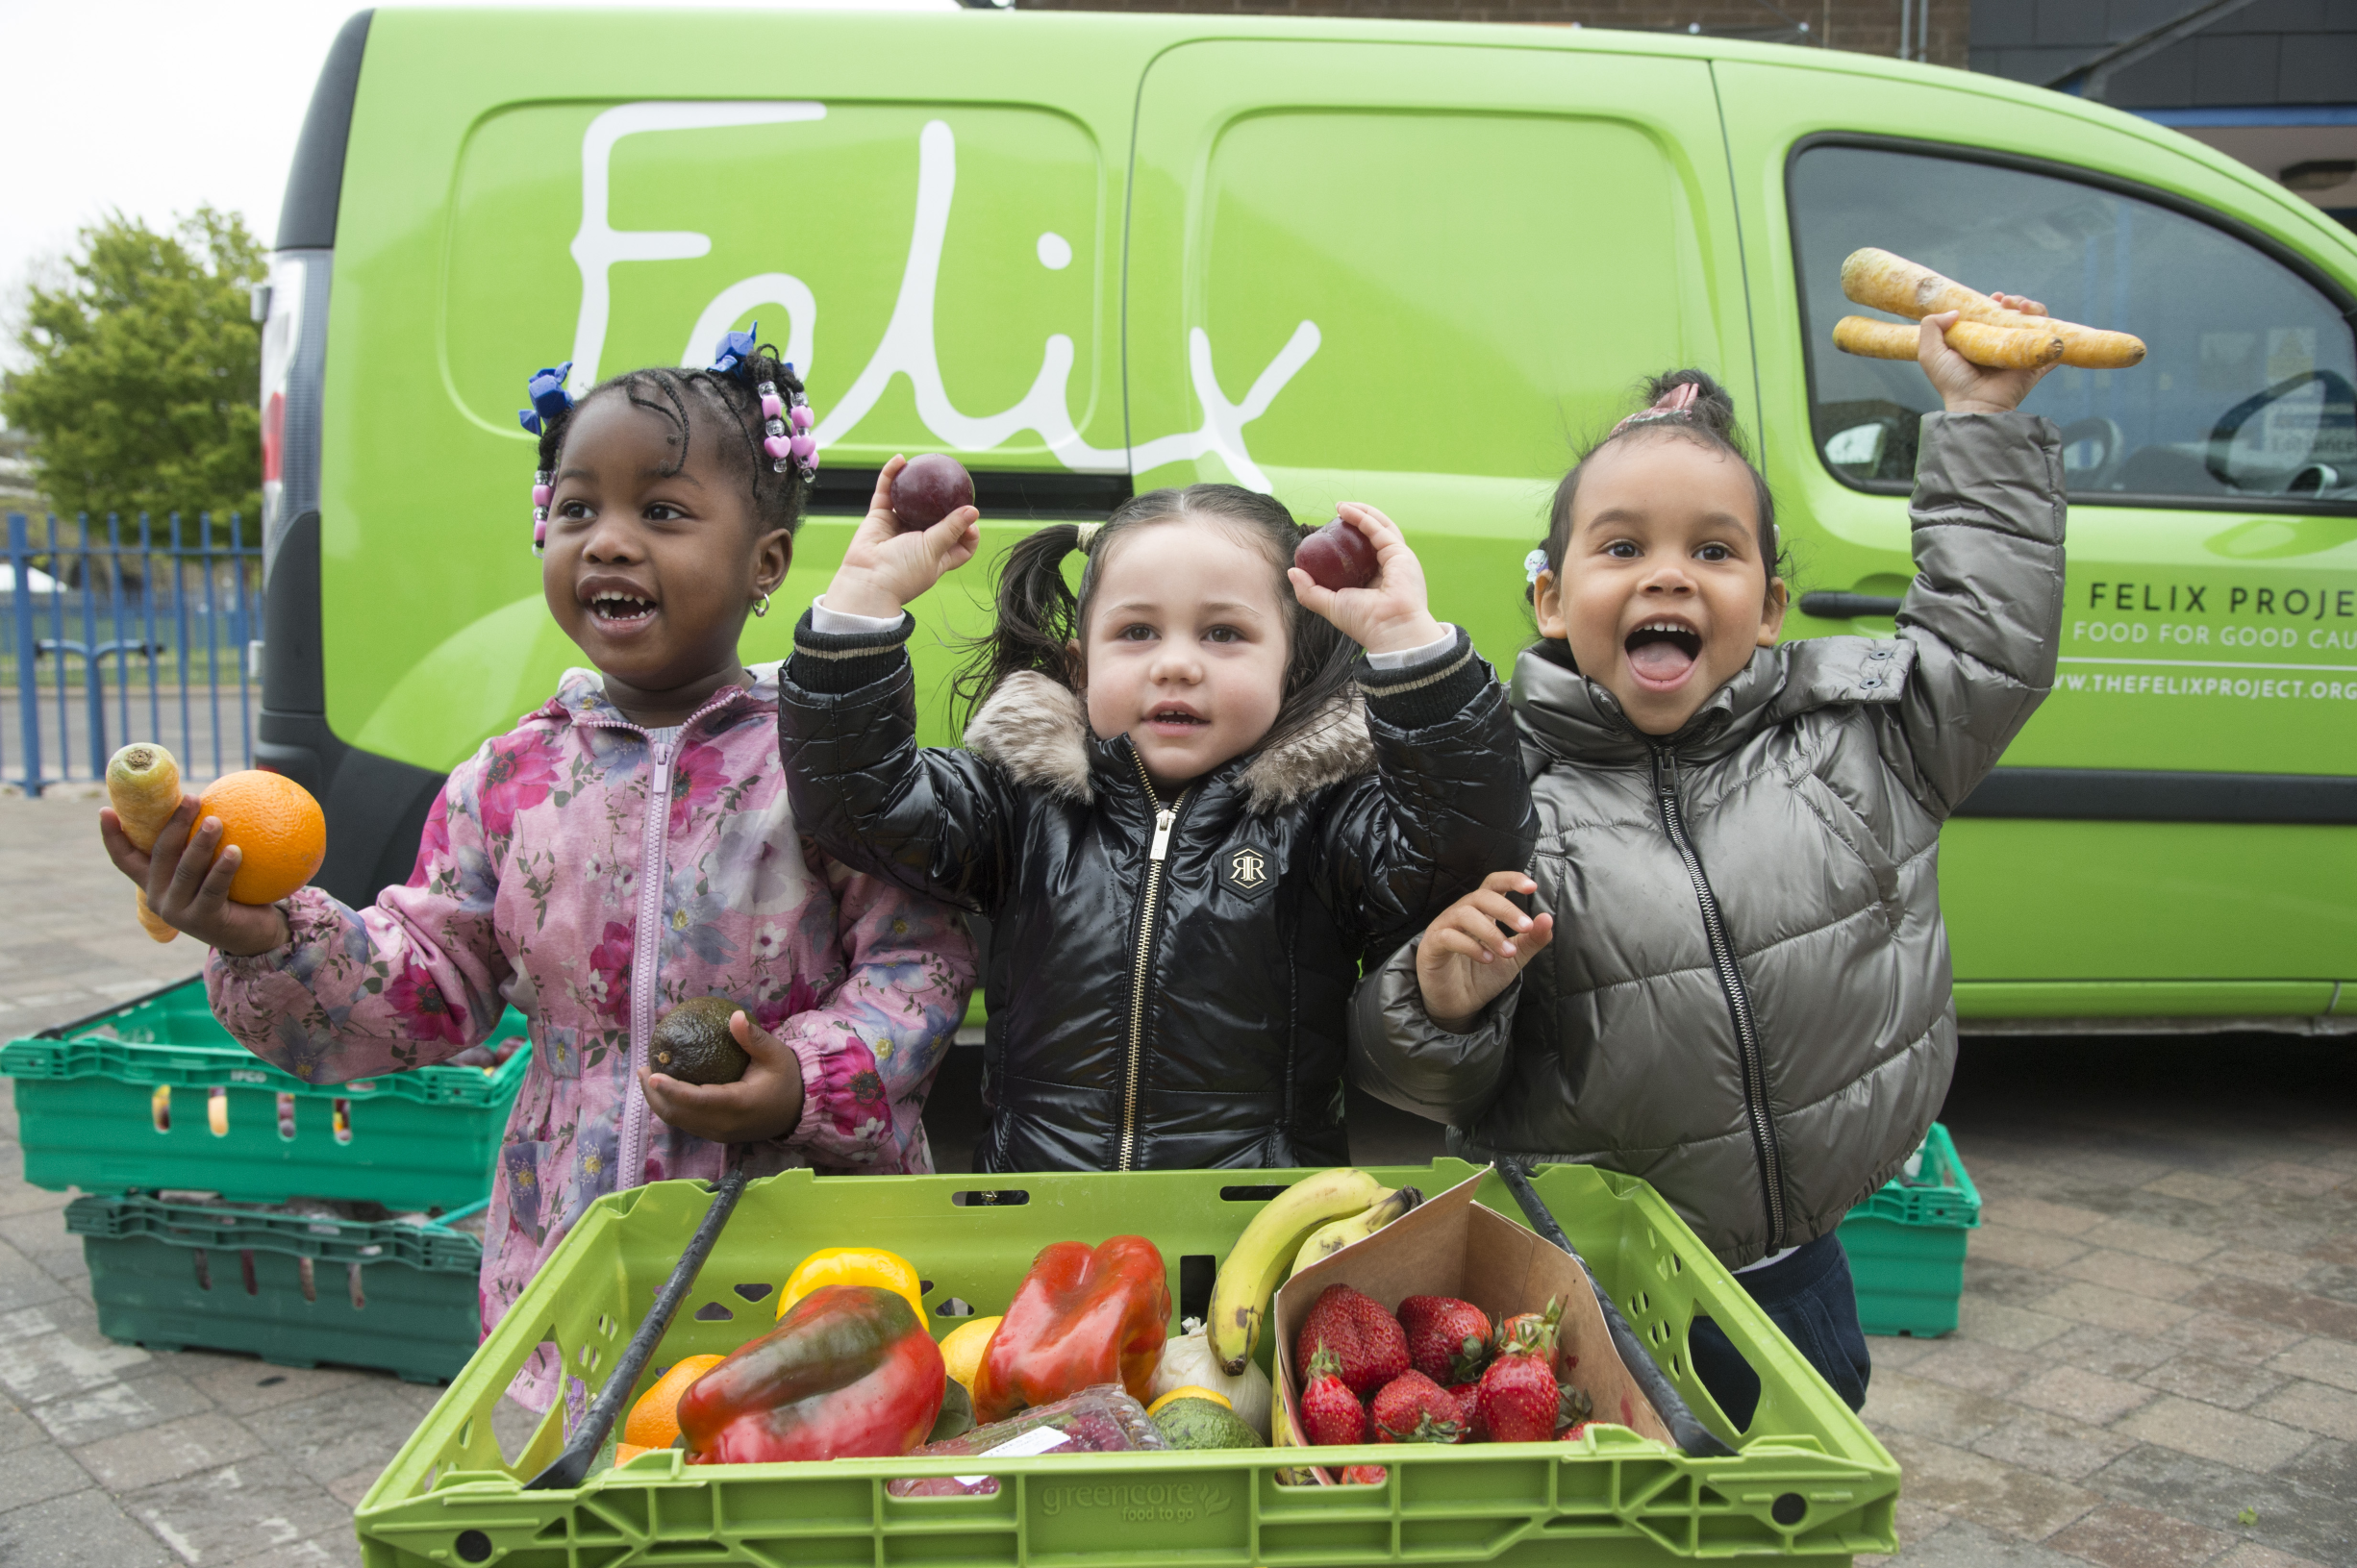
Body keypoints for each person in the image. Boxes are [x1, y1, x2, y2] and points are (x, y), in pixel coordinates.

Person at [101, 332, 976, 1410]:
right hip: (565, 1258)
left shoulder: (827, 764)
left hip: (806, 1266)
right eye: (577, 510)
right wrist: (262, 934)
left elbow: (920, 965)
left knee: (786, 1473)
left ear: (767, 561)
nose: (608, 541)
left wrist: (800, 1079)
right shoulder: (508, 778)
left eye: (661, 511)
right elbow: (426, 980)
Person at [1349, 307, 2066, 1426]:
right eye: (1624, 547)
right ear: (1548, 596)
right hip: (1581, 1286)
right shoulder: (1499, 785)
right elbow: (1429, 1070)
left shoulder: (1860, 739)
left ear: (1772, 606)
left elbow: (1986, 646)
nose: (1669, 577)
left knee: (1781, 1503)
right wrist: (1439, 996)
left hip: (1794, 1268)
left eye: (1715, 551)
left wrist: (1976, 419)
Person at [777, 474, 1536, 1171]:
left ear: (1291, 670)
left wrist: (1408, 640)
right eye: (1136, 632)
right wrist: (863, 599)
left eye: (1223, 634)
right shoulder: (1018, 801)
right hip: (1038, 1218)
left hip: (1250, 1226)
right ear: (1080, 667)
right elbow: (856, 802)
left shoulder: (1324, 816)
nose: (1175, 663)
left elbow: (1460, 849)